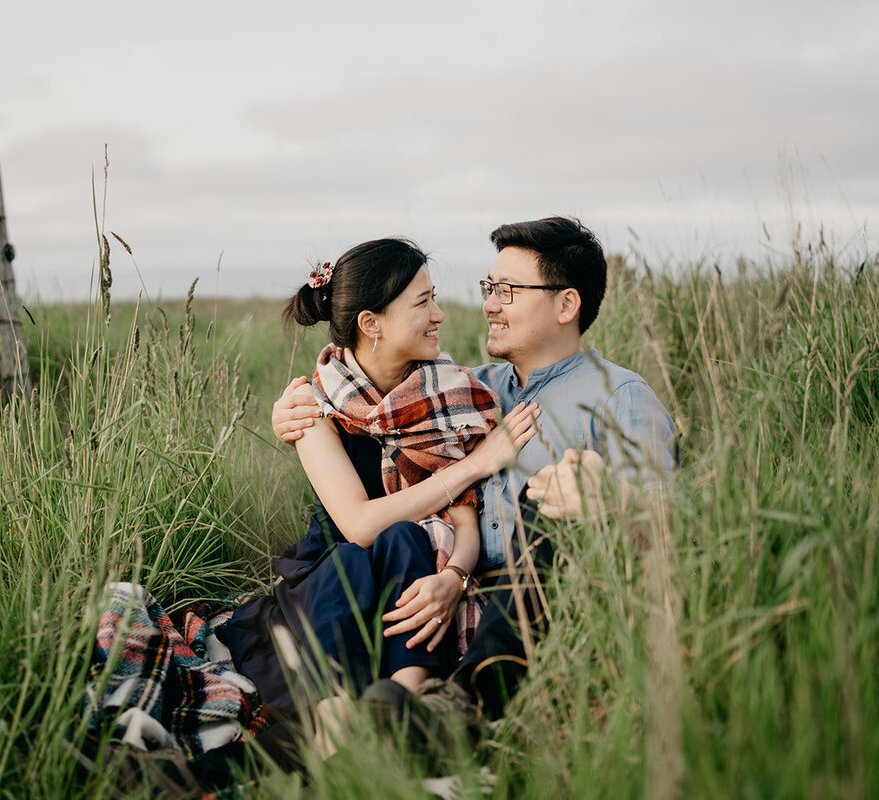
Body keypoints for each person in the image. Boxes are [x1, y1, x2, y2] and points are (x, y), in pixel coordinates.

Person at [271, 217, 678, 721]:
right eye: (490, 288)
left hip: (545, 599)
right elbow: (367, 401)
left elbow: (669, 522)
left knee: (548, 493)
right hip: (440, 594)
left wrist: (609, 498)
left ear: (566, 304)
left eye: (507, 291)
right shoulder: (462, 390)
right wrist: (290, 410)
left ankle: (455, 708)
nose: (488, 304)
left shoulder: (621, 397)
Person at [216, 238, 540, 719]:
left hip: (416, 576)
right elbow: (360, 525)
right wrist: (476, 464)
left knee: (407, 540)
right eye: (423, 302)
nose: (440, 315)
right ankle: (337, 722)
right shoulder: (315, 406)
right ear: (372, 324)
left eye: (435, 298)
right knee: (357, 555)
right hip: (331, 581)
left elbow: (464, 525)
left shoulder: (451, 398)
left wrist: (454, 576)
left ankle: (402, 707)